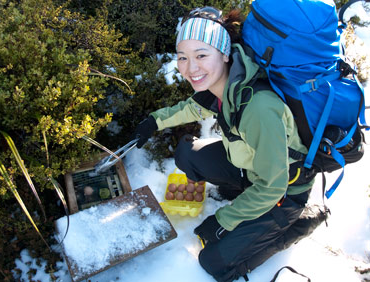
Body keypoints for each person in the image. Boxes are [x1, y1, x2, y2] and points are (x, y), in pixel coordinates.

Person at [132, 6, 326, 282]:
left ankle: (301, 222)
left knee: (214, 262)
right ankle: (245, 198)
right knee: (188, 154)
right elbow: (191, 108)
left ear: (224, 54)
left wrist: (223, 221)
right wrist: (154, 121)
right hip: (251, 169)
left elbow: (273, 187)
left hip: (285, 191)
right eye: (183, 58)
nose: (191, 68)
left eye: (201, 55)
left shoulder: (258, 107)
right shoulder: (222, 87)